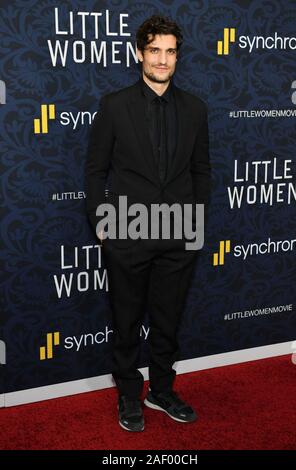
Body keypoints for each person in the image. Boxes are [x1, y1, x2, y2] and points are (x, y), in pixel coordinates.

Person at [85, 15, 211, 432]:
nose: (162, 59)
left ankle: (161, 389)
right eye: (154, 50)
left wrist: (196, 222)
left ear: (177, 56)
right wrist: (102, 223)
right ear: (140, 53)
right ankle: (128, 394)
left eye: (170, 51)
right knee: (125, 319)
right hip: (127, 228)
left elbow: (201, 171)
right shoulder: (115, 105)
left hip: (179, 230)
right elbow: (95, 171)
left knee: (168, 318)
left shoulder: (195, 108)